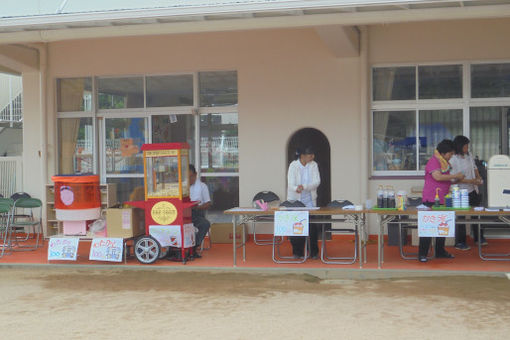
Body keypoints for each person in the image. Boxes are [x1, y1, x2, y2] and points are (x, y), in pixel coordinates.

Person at [419, 139, 464, 263]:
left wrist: (457, 179)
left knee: (441, 227)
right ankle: (422, 253)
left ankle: (439, 251)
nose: (451, 156)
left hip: (442, 198)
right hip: (431, 199)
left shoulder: (444, 163)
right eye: (450, 154)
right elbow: (437, 176)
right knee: (428, 227)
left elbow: (446, 179)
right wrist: (455, 176)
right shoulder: (434, 161)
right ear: (444, 153)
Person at [450, 135, 486, 250]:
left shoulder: (469, 155)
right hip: (460, 191)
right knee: (460, 217)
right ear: (459, 146)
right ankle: (460, 242)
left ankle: (478, 237)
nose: (467, 148)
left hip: (472, 190)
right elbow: (454, 178)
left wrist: (478, 177)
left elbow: (474, 168)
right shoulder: (453, 159)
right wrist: (471, 181)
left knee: (477, 214)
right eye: (465, 146)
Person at [287, 146, 321, 259]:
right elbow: (290, 183)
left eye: (313, 154)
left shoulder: (313, 165)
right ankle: (297, 252)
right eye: (310, 155)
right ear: (302, 156)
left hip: (309, 200)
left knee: (311, 227)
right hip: (295, 200)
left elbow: (317, 181)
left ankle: (313, 252)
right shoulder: (293, 165)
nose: (312, 157)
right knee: (296, 226)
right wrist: (296, 188)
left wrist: (305, 186)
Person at [189, 164, 211, 259]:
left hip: (196, 213)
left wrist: (197, 207)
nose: (189, 179)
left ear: (196, 174)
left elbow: (208, 203)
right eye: (187, 177)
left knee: (205, 224)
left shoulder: (202, 186)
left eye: (191, 176)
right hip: (182, 214)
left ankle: (193, 247)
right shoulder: (181, 186)